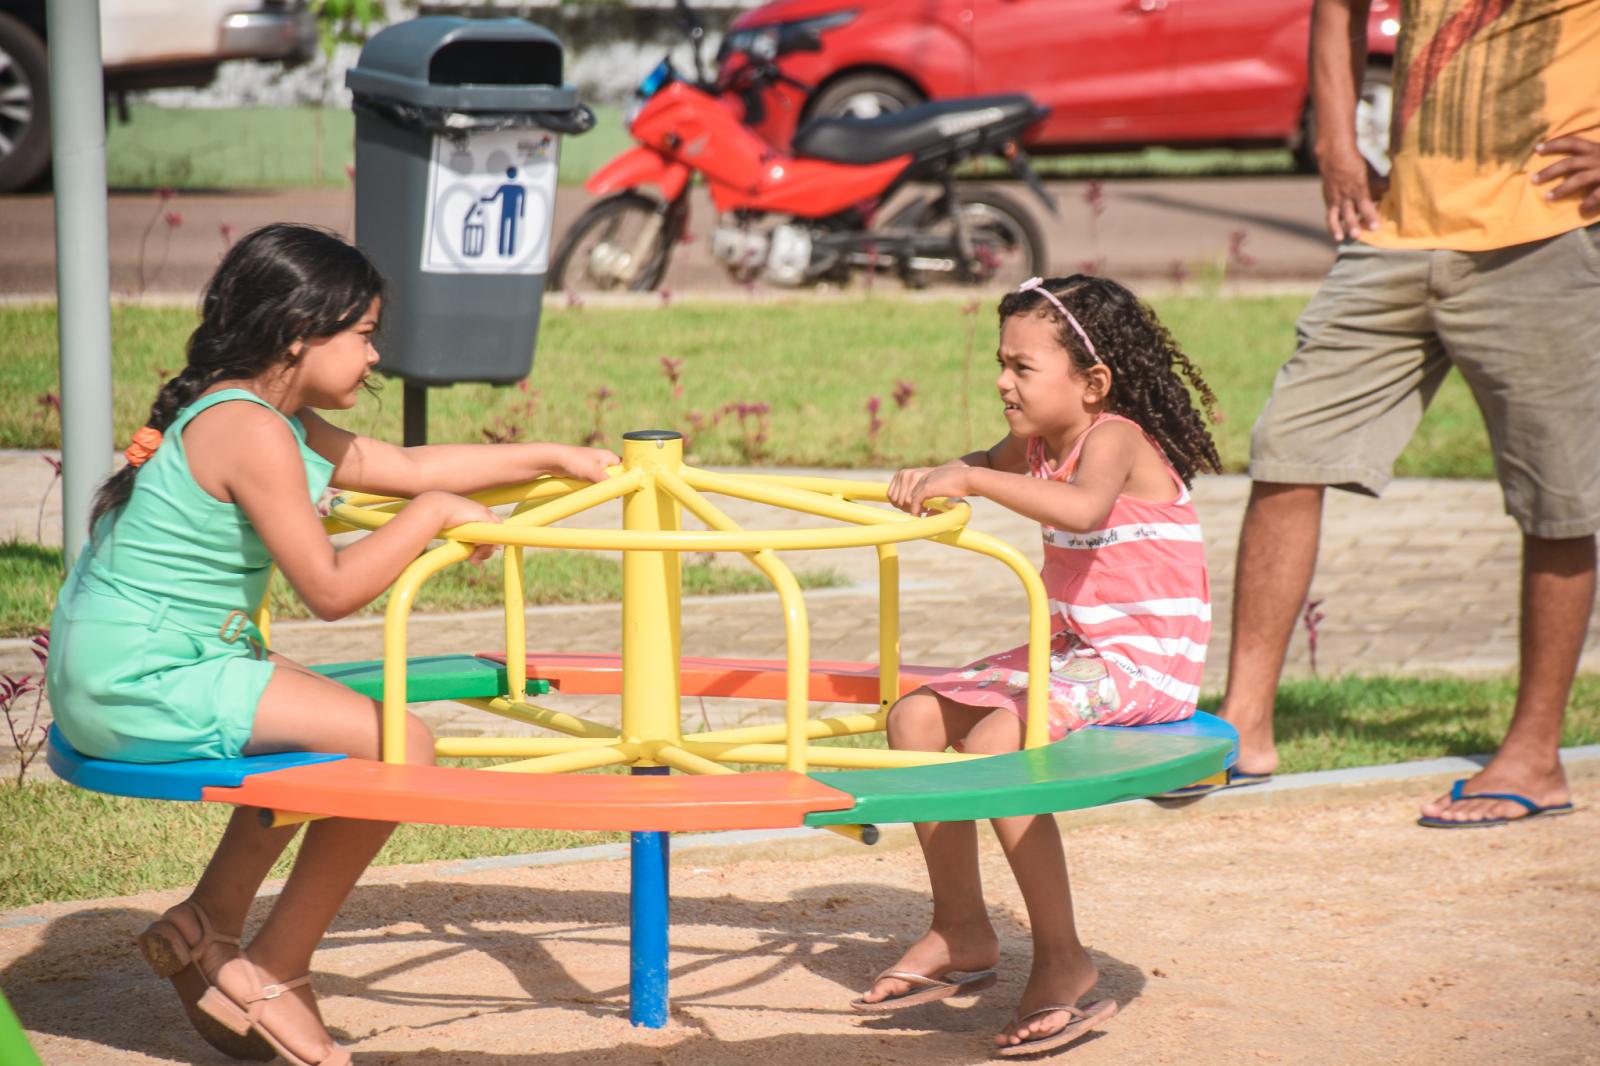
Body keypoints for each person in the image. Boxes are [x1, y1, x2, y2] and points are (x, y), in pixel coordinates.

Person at [45, 223, 618, 1066]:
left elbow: (409, 464)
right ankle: (274, 964)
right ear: (297, 333)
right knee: (400, 743)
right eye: (363, 335)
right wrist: (430, 523)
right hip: (142, 675)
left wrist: (554, 456)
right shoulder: (253, 433)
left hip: (137, 658)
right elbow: (332, 589)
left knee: (340, 728)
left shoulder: (264, 414)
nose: (376, 356)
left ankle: (208, 922)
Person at [1218, 0, 1600, 828]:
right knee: (1291, 444)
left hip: (1546, 230)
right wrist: (1333, 144)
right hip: (1396, 230)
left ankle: (1534, 757)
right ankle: (1242, 728)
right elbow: (1339, 9)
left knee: (1557, 496)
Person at [853, 275, 1221, 1055]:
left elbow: (1083, 508)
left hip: (1140, 659)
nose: (1001, 381)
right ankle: (960, 930)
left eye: (1022, 368)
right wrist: (930, 479)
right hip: (1070, 647)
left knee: (994, 742)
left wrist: (975, 479)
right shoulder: (1031, 446)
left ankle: (1064, 959)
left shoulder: (1113, 436)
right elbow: (975, 463)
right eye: (1001, 363)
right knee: (913, 715)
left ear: (1092, 384)